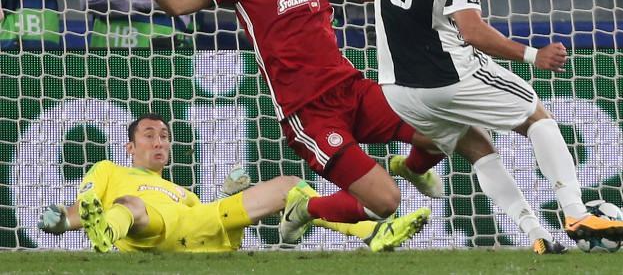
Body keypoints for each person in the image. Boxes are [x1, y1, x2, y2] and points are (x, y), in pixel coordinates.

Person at [96, 0, 446, 243]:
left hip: (351, 88)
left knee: (443, 127)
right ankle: (305, 209)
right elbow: (178, 2)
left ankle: (412, 167)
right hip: (310, 112)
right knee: (386, 201)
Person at [337, 0, 623, 254]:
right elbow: (473, 31)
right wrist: (534, 55)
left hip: (398, 90)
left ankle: (536, 234)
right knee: (536, 116)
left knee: (478, 147)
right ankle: (576, 212)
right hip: (447, 77)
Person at [36, 113, 430, 252]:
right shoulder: (110, 170)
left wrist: (225, 196)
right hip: (143, 234)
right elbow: (83, 207)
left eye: (165, 136)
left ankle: (371, 232)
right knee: (131, 205)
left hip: (194, 232)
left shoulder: (181, 192)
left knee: (290, 185)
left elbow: (199, 219)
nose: (159, 142)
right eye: (149, 135)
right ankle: (106, 232)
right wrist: (64, 222)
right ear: (129, 146)